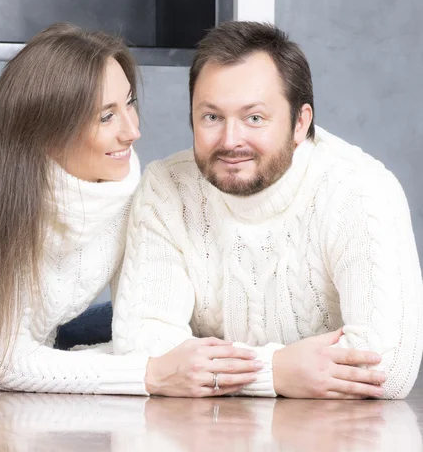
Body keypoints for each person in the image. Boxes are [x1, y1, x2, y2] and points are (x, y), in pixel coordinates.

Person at [0, 22, 259, 395]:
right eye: (106, 116)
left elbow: (144, 338)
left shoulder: (129, 189)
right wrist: (151, 375)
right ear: (49, 131)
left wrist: (4, 358)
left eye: (129, 103)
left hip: (29, 333)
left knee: (163, 324)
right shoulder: (3, 204)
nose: (132, 131)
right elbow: (7, 365)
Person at [113, 21, 423, 399]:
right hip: (207, 432)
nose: (230, 141)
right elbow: (143, 352)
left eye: (254, 118)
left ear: (300, 123)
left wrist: (212, 370)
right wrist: (275, 372)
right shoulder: (167, 187)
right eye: (211, 117)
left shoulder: (360, 191)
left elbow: (386, 368)